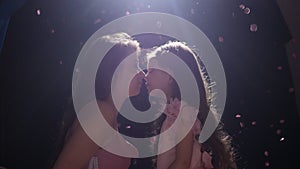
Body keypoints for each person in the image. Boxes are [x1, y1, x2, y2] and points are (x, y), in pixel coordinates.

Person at [52, 32, 145, 169]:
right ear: (112, 71)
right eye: (134, 65)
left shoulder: (107, 114)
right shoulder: (101, 113)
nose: (142, 73)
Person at [144, 41, 237, 169]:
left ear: (170, 76)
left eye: (152, 71)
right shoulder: (172, 114)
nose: (145, 76)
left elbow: (182, 163)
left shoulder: (183, 113)